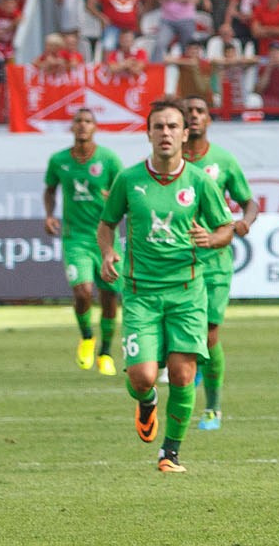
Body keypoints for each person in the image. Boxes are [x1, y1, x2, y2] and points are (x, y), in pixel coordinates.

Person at [97, 98, 235, 473]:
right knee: (143, 376)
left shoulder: (199, 181)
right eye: (159, 126)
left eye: (173, 127)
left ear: (185, 133)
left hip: (187, 293)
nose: (166, 133)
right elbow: (107, 224)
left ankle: (170, 452)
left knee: (183, 373)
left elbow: (226, 228)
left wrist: (213, 238)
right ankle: (146, 402)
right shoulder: (129, 179)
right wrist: (108, 253)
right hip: (141, 293)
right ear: (148, 133)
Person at [181, 94, 258, 431]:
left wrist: (245, 222)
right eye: (188, 113)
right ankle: (193, 369)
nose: (194, 116)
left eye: (200, 112)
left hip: (215, 259)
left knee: (210, 334)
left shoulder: (223, 161)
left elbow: (248, 201)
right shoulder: (168, 161)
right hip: (177, 259)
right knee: (184, 335)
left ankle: (213, 409)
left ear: (209, 119)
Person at [42, 108, 122, 375]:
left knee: (110, 296)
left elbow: (123, 192)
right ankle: (87, 337)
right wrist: (49, 215)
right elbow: (50, 189)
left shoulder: (109, 159)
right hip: (75, 237)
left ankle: (106, 353)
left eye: (88, 121)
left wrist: (112, 196)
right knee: (83, 291)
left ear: (95, 127)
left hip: (107, 237)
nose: (83, 125)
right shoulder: (59, 160)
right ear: (72, 127)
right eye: (78, 121)